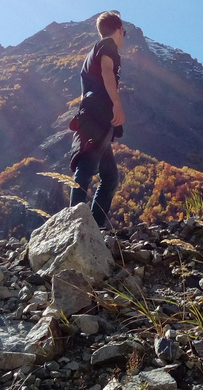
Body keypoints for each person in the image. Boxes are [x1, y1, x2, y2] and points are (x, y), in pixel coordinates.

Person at [69, 11, 126, 229]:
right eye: (124, 33)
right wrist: (117, 104)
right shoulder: (107, 45)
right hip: (99, 113)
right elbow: (107, 72)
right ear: (119, 29)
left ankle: (93, 228)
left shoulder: (91, 53)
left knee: (109, 177)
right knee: (87, 165)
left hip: (89, 115)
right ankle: (75, 225)